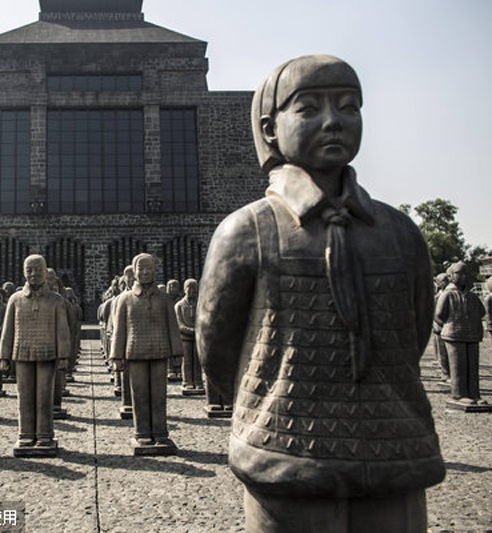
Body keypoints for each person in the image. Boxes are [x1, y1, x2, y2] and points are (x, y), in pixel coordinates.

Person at [197, 55, 444, 532]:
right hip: (287, 453)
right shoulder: (246, 231)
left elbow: (411, 331)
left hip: (396, 453)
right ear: (270, 129)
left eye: (350, 107)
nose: (334, 121)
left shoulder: (398, 232)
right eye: (309, 109)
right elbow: (219, 349)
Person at [0, 254, 71, 456]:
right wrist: (4, 355)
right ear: (23, 272)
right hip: (22, 352)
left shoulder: (56, 301)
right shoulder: (15, 299)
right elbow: (8, 329)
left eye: (38, 269)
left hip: (47, 352)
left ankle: (45, 435)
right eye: (29, 270)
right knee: (25, 396)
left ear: (45, 271)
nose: (34, 274)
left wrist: (64, 355)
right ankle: (26, 434)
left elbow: (62, 330)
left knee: (44, 395)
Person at [111, 253, 182, 454]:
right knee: (139, 394)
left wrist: (176, 352)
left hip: (159, 351)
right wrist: (117, 356)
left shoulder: (165, 299)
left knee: (159, 395)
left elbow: (172, 327)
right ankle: (142, 432)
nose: (145, 272)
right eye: (141, 269)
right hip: (135, 352)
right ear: (134, 272)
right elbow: (120, 329)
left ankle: (160, 433)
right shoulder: (125, 299)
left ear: (154, 270)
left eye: (149, 268)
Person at [434, 261, 487, 407]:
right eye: (459, 273)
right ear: (451, 276)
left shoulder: (472, 296)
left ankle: (474, 393)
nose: (463, 277)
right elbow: (439, 314)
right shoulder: (448, 295)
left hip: (472, 335)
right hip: (453, 334)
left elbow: (482, 312)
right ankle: (459, 394)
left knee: (472, 366)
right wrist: (450, 323)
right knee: (458, 365)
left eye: (465, 273)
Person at [175, 279, 204, 395]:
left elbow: (202, 320)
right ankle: (187, 381)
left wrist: (198, 330)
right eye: (189, 288)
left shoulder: (200, 305)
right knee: (187, 361)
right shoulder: (179, 306)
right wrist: (193, 331)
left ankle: (198, 381)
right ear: (184, 289)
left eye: (194, 288)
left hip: (197, 337)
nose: (192, 291)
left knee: (197, 361)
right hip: (185, 338)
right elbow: (179, 324)